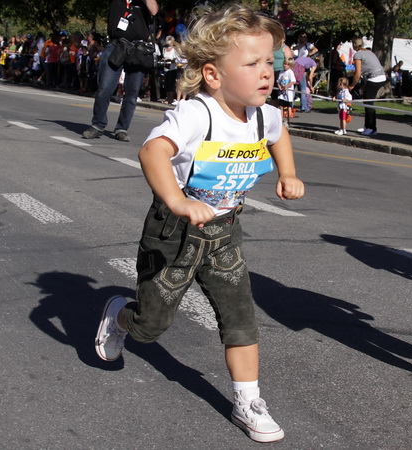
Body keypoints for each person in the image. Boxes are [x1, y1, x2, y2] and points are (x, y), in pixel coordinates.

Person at [94, 4, 304, 443]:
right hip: (174, 232)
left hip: (225, 232)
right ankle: (121, 317)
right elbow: (152, 151)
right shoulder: (197, 114)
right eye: (252, 63)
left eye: (269, 62)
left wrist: (287, 173)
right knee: (151, 326)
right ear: (213, 75)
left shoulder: (264, 114)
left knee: (241, 318)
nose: (267, 73)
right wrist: (178, 200)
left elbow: (279, 133)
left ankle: (248, 400)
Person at [82, 0, 159, 142]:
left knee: (132, 91)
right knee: (105, 87)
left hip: (137, 48)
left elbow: (154, 10)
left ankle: (122, 128)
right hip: (116, 45)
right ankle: (98, 124)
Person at [348, 37, 386, 136]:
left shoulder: (358, 55)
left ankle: (371, 128)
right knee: (367, 101)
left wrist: (352, 85)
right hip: (380, 77)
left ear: (354, 45)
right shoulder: (369, 52)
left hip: (375, 78)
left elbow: (357, 73)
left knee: (369, 103)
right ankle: (367, 126)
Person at [277, 58, 296, 126]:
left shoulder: (290, 72)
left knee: (288, 107)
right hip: (282, 92)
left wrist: (287, 86)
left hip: (288, 93)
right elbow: (278, 80)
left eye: (288, 64)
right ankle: (281, 121)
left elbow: (293, 81)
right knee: (281, 106)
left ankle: (289, 121)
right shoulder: (281, 72)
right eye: (285, 64)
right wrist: (279, 86)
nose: (285, 66)